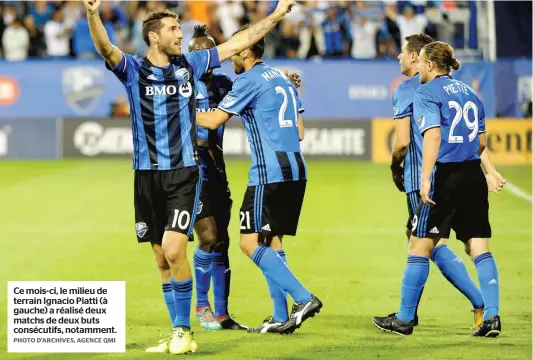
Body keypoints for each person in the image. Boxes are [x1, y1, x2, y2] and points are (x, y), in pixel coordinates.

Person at [81, 0, 296, 354]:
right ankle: (178, 331)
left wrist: (274, 16)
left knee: (173, 248)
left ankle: (184, 330)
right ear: (153, 37)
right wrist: (92, 14)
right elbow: (105, 47)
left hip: (183, 173)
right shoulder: (133, 69)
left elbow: (236, 44)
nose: (180, 34)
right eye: (173, 30)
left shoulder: (190, 64)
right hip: (146, 176)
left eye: (179, 29)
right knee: (161, 260)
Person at [195, 24, 322, 335]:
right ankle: (280, 316)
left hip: (269, 173)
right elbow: (300, 132)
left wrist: (177, 108)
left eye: (235, 49)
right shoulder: (282, 77)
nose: (229, 56)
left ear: (247, 50)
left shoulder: (248, 80)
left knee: (248, 243)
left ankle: (303, 298)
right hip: (296, 169)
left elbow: (212, 120)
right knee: (271, 240)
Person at [375, 34, 505, 332]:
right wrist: (491, 171)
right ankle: (492, 315)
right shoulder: (471, 93)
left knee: (420, 246)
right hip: (473, 174)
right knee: (479, 247)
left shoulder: (423, 91)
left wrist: (424, 177)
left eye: (419, 60)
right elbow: (480, 143)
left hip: (442, 176)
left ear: (429, 63)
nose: (415, 64)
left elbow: (429, 136)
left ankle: (405, 318)